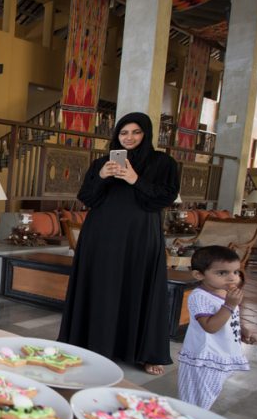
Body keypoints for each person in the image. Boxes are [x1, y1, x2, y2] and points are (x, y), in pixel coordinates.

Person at [57, 112, 180, 375]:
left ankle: (146, 353)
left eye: (135, 132)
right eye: (124, 133)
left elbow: (164, 198)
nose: (129, 137)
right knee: (102, 286)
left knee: (138, 285)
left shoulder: (163, 163)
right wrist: (101, 175)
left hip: (140, 236)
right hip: (101, 235)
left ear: (145, 133)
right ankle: (93, 345)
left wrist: (135, 179)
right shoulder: (103, 161)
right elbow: (87, 197)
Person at [177, 246, 253, 409]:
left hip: (223, 354)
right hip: (204, 358)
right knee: (195, 403)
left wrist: (241, 329)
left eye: (235, 272)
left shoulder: (225, 293)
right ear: (199, 275)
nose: (232, 278)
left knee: (207, 398)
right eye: (222, 273)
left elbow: (231, 316)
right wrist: (229, 305)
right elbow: (210, 327)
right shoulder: (199, 297)